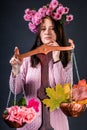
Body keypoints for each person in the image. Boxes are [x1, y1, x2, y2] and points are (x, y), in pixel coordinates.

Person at [9, 0, 74, 130]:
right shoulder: (27, 60)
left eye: (52, 29)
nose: (47, 32)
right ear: (39, 33)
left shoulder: (65, 61)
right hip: (29, 125)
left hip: (58, 124)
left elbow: (65, 94)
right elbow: (15, 90)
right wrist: (16, 70)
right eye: (43, 29)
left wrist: (56, 59)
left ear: (58, 32)